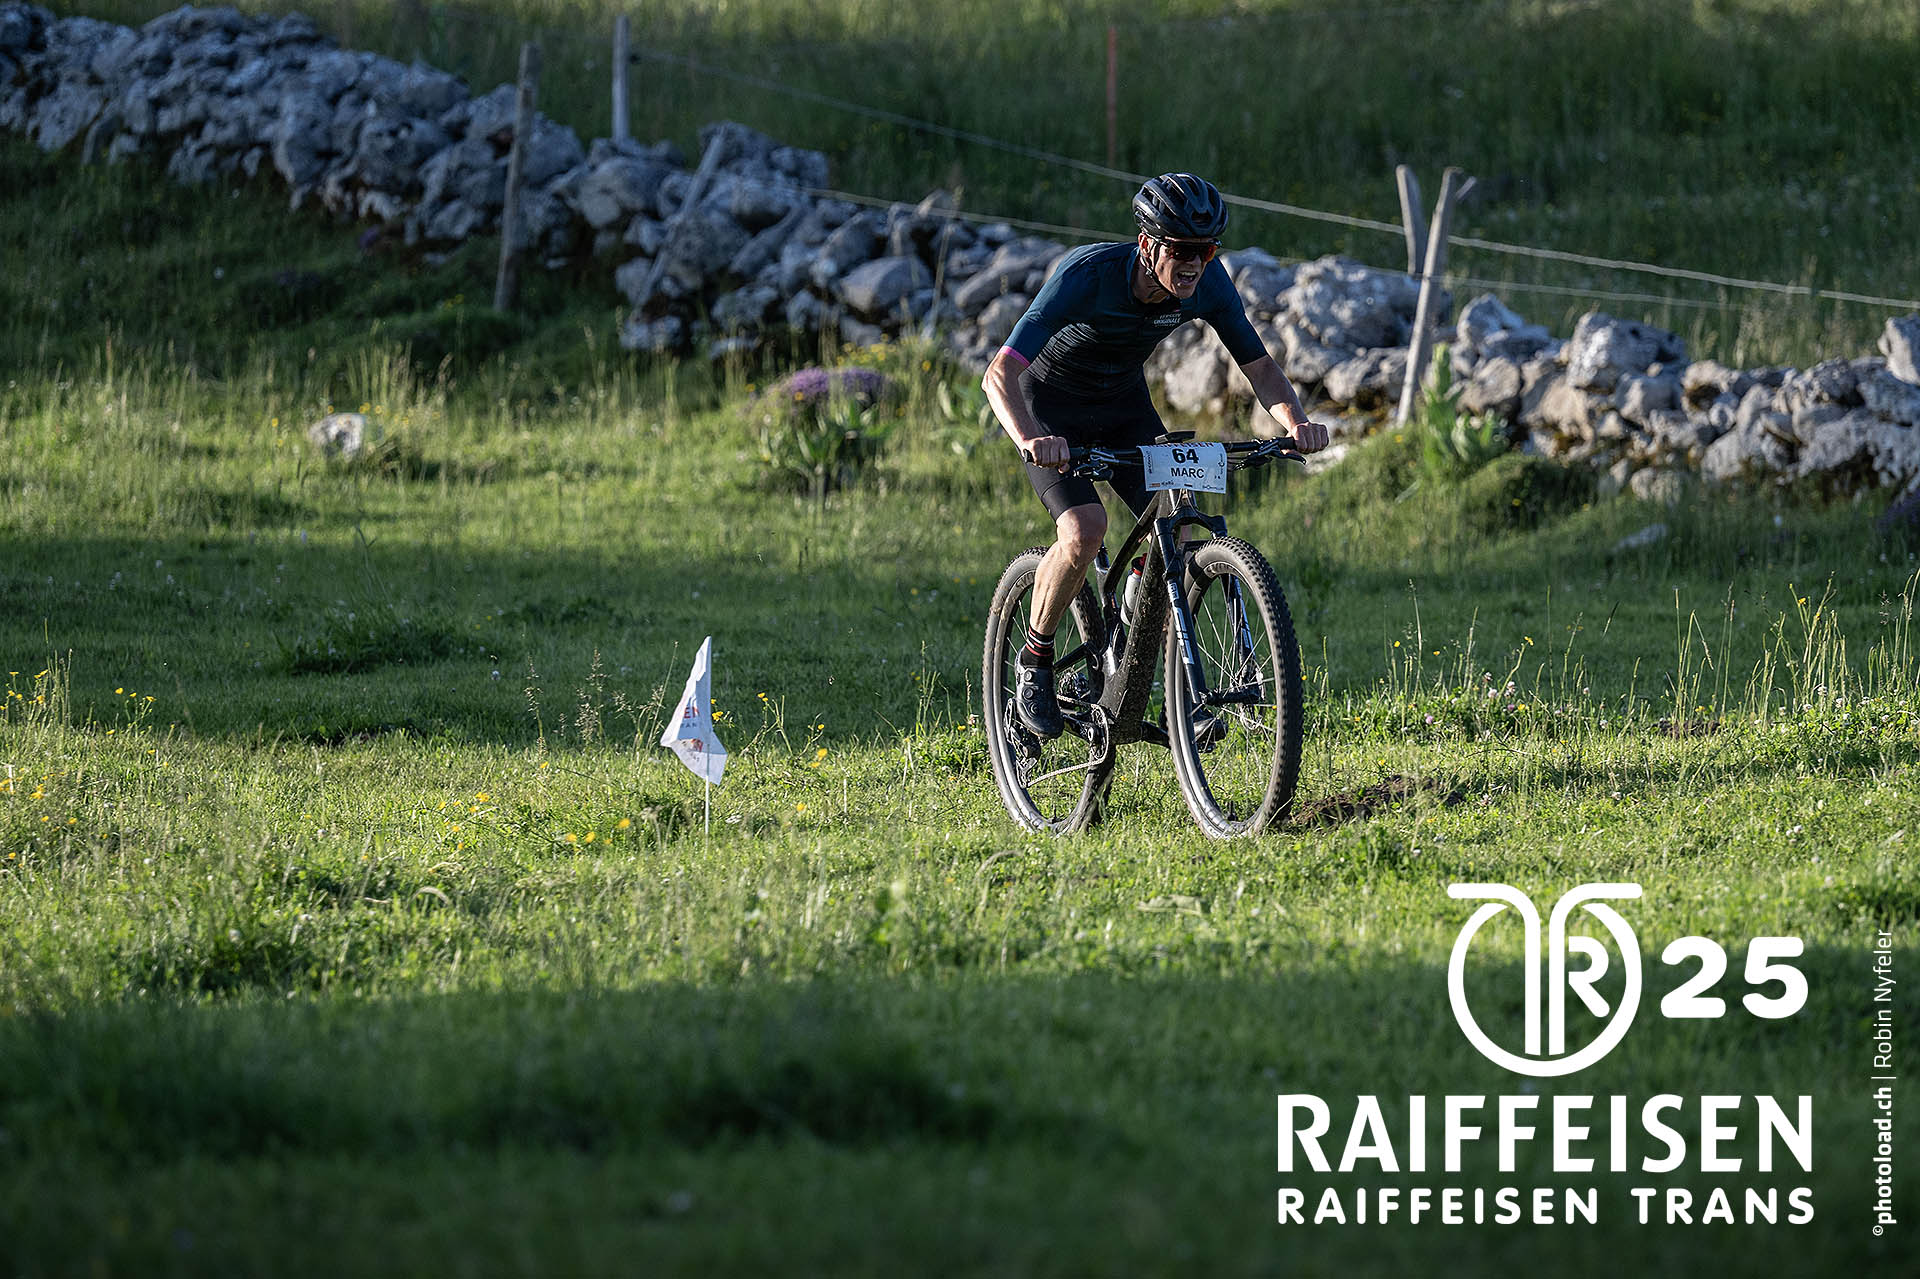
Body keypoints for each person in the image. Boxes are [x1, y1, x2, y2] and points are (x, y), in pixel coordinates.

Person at [982, 172, 1331, 738]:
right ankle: (1034, 659)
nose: (1195, 264)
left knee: (1178, 523)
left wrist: (1296, 423)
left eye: (1207, 250)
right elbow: (999, 373)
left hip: (1122, 406)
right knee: (1084, 530)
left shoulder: (1208, 284)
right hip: (1048, 407)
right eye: (1183, 250)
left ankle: (1137, 634)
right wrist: (1029, 438)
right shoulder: (1086, 276)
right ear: (1148, 245)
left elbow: (1260, 366)